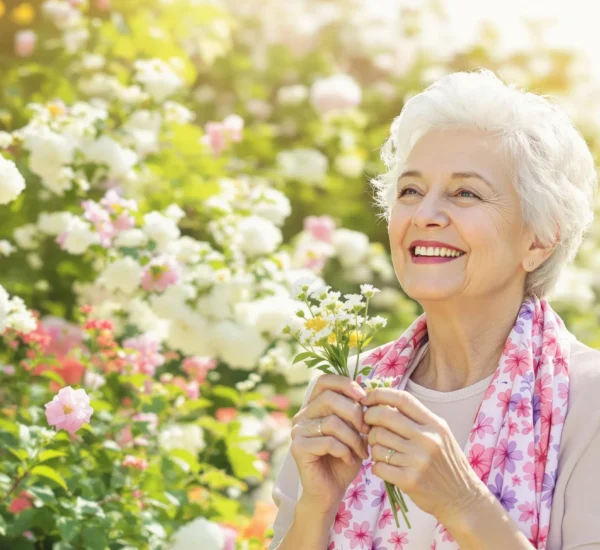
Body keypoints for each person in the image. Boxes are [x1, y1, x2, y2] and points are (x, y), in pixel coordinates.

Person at [268, 69, 600, 550]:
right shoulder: (352, 392)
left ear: (541, 238)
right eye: (410, 191)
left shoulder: (588, 398)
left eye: (465, 193)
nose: (425, 214)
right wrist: (316, 507)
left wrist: (463, 503)